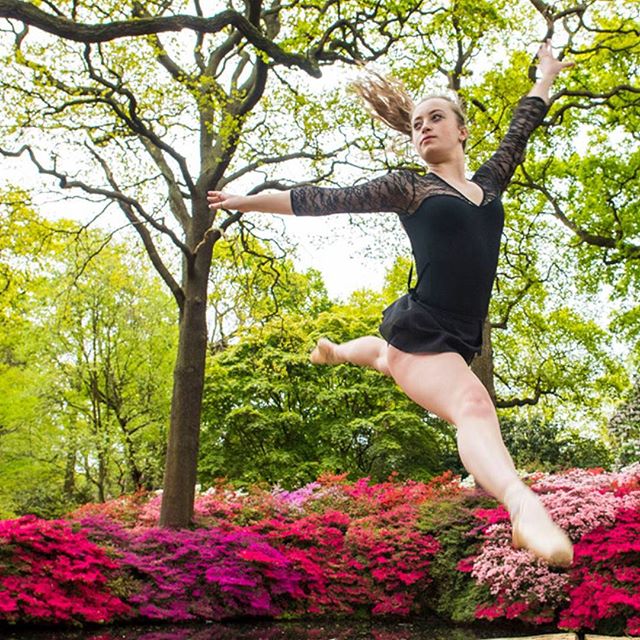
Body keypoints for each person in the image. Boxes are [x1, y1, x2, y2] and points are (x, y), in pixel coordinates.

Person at [207, 40, 575, 567]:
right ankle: (522, 506)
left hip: (452, 335)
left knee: (381, 355)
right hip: (424, 330)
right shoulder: (410, 189)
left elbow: (523, 124)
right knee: (470, 404)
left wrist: (545, 74)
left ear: (462, 130)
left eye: (436, 118)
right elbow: (321, 200)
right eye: (416, 122)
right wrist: (246, 200)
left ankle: (335, 352)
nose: (423, 126)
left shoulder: (488, 186)